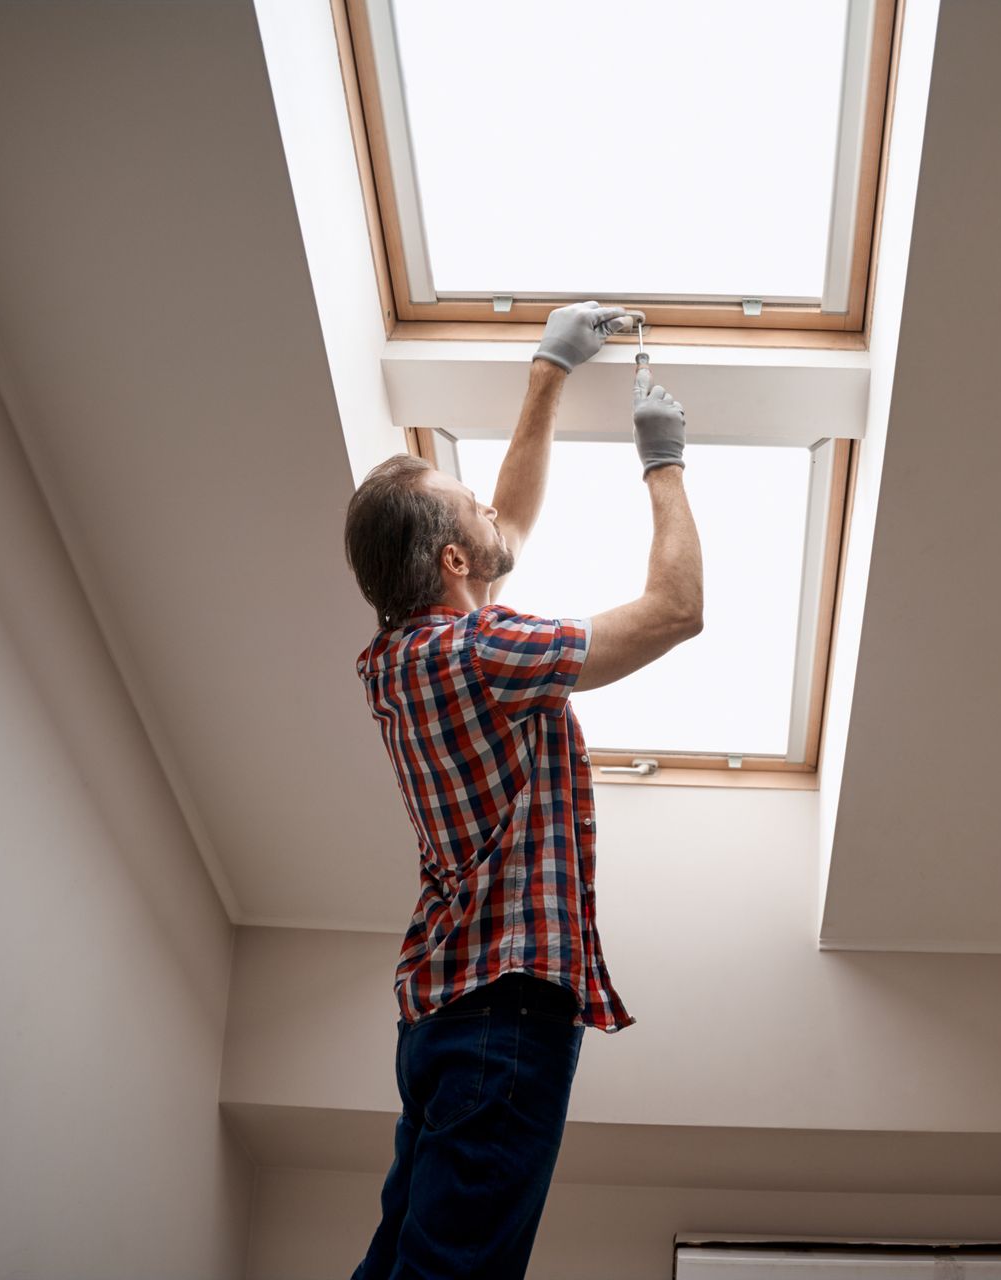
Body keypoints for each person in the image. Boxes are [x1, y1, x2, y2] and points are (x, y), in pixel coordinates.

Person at [341, 301, 703, 1278]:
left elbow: (502, 533)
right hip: (499, 1023)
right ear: (452, 561)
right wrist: (663, 460)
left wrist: (548, 372)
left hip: (447, 1020)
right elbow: (676, 611)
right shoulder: (483, 651)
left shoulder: (400, 658)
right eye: (469, 509)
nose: (489, 516)